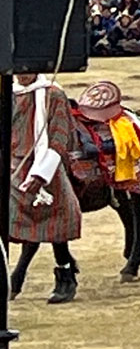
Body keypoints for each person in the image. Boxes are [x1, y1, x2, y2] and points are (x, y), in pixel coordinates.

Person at [9, 70, 83, 303]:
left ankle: (65, 274)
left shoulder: (54, 95)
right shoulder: (8, 94)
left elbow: (59, 137)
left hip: (45, 168)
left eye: (27, 70)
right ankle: (11, 279)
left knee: (55, 224)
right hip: (13, 168)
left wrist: (42, 174)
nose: (22, 76)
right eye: (18, 71)